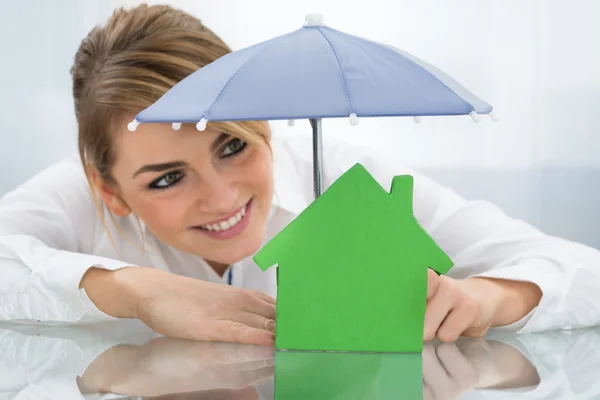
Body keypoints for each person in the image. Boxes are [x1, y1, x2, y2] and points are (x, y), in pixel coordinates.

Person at [1, 4, 599, 346]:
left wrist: (491, 295)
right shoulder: (83, 195)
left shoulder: (348, 179)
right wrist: (136, 291)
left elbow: (584, 272)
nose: (222, 195)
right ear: (110, 188)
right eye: (166, 179)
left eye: (232, 145)